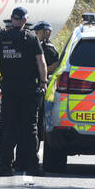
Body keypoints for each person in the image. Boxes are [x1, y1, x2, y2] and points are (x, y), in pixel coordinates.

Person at [0, 6, 48, 176]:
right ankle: (31, 166)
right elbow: (41, 62)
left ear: (12, 19)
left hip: (8, 89)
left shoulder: (2, 37)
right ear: (24, 20)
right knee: (29, 128)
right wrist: (43, 82)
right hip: (29, 89)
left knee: (7, 127)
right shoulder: (31, 38)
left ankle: (4, 166)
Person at [33, 21, 60, 155]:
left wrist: (41, 71)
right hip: (43, 87)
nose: (36, 35)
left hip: (45, 89)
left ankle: (35, 150)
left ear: (46, 33)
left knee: (38, 121)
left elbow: (55, 65)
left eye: (38, 32)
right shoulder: (44, 46)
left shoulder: (48, 48)